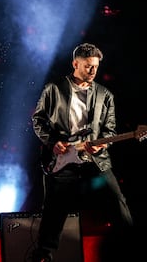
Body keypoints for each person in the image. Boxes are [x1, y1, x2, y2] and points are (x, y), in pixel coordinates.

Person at [31, 43, 133, 262]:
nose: (93, 71)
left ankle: (132, 249)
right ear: (75, 64)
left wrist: (102, 144)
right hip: (63, 160)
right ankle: (42, 256)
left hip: (95, 161)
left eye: (95, 66)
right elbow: (38, 120)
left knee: (118, 204)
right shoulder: (55, 88)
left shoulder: (105, 94)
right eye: (88, 66)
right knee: (53, 213)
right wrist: (52, 142)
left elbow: (110, 129)